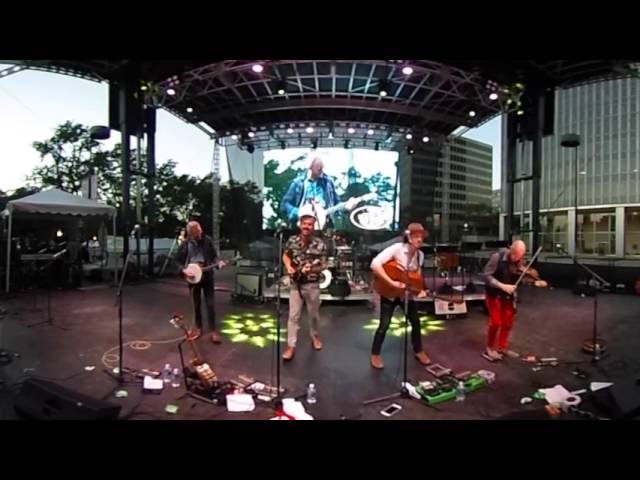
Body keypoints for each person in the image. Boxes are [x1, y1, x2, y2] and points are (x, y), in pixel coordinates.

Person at [369, 223, 432, 369]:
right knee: (384, 325)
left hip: (406, 295)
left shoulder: (420, 256)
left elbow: (416, 277)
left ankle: (419, 350)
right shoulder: (397, 249)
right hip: (390, 293)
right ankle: (375, 354)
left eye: (421, 237)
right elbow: (375, 264)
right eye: (416, 236)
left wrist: (420, 290)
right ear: (408, 237)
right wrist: (391, 282)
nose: (419, 240)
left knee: (416, 322)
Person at [482, 240, 548, 361]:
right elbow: (486, 276)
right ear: (511, 249)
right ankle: (489, 349)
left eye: (518, 256)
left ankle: (502, 347)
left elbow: (520, 276)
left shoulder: (518, 261)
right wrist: (502, 286)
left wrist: (534, 281)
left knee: (508, 322)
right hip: (494, 293)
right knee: (496, 322)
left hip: (508, 295)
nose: (515, 258)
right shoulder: (498, 257)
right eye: (513, 254)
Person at [281, 204, 328, 361]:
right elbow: (285, 256)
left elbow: (324, 265)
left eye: (310, 224)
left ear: (313, 226)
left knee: (313, 315)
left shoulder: (320, 244)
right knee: (293, 316)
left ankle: (314, 336)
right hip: (295, 284)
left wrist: (312, 269)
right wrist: (288, 266)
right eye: (304, 224)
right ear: (300, 225)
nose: (306, 227)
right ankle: (291, 346)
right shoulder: (292, 240)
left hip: (312, 285)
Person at [176, 221, 226, 343]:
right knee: (196, 304)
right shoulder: (185, 244)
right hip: (192, 278)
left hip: (207, 276)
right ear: (190, 233)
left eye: (199, 231)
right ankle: (198, 328)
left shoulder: (207, 240)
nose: (199, 234)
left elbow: (214, 256)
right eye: (195, 233)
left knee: (210, 304)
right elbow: (177, 261)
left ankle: (213, 331)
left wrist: (218, 263)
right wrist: (183, 271)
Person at [281, 156, 354, 229]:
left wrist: (345, 207)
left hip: (325, 225)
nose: (321, 168)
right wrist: (298, 212)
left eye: (322, 166)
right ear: (310, 167)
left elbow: (337, 203)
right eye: (318, 166)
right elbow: (285, 204)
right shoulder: (298, 183)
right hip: (301, 226)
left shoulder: (328, 183)